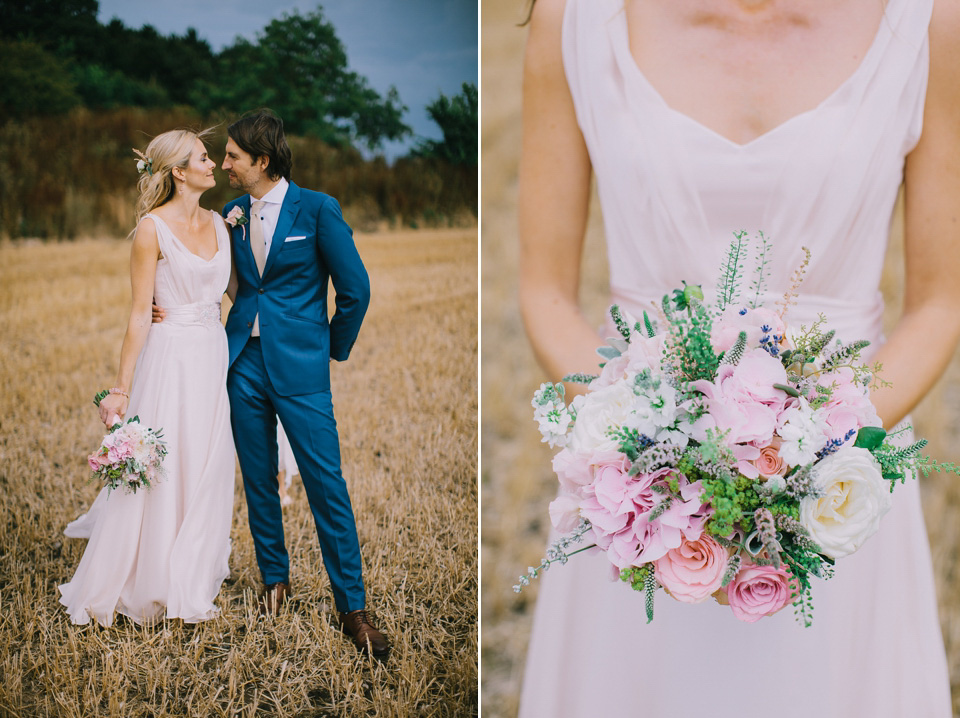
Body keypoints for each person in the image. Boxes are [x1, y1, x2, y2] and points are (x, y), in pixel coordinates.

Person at [516, 0, 960, 716]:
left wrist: (813, 446)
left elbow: (941, 303)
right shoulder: (573, 19)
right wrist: (647, 445)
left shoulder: (929, 21)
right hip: (641, 491)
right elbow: (544, 292)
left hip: (840, 481)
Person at [158, 109, 387, 659]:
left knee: (325, 483)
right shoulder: (230, 214)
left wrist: (326, 348)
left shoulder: (318, 209)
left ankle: (352, 607)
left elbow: (355, 290)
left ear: (262, 160)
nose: (226, 164)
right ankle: (274, 581)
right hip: (240, 364)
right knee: (257, 479)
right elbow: (207, 272)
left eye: (234, 156)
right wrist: (161, 304)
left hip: (301, 369)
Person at [59, 129, 235, 626]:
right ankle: (152, 576)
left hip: (211, 356)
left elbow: (239, 296)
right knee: (166, 462)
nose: (213, 164)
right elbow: (139, 314)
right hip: (170, 356)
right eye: (203, 158)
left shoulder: (223, 223)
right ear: (179, 172)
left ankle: (194, 568)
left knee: (205, 462)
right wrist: (121, 387)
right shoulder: (150, 230)